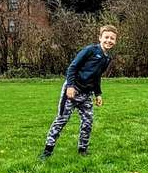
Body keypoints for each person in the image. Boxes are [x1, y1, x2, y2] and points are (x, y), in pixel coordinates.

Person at [40, 25, 117, 159]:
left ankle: (83, 150)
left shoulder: (107, 59)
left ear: (115, 41)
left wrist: (98, 94)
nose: (109, 40)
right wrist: (70, 86)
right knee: (62, 120)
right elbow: (72, 67)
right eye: (106, 37)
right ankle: (47, 151)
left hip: (86, 95)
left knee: (88, 121)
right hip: (72, 91)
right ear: (100, 38)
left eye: (112, 38)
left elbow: (96, 77)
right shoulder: (90, 50)